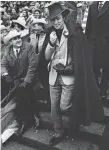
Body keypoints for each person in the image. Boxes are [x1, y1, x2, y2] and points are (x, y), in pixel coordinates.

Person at [44, 2, 104, 146]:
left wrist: (72, 66)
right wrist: (51, 44)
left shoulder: (74, 32)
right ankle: (58, 132)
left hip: (68, 76)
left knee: (64, 106)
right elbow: (46, 57)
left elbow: (80, 54)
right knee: (54, 108)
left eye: (58, 18)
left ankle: (76, 117)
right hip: (53, 76)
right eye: (53, 20)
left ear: (63, 17)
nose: (56, 22)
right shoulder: (50, 33)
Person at [1, 30, 40, 136]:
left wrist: (27, 80)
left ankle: (24, 122)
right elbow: (2, 65)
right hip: (17, 79)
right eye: (14, 39)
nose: (18, 40)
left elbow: (33, 66)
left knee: (22, 93)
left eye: (19, 37)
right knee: (19, 92)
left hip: (31, 78)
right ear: (10, 42)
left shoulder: (28, 47)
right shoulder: (7, 50)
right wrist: (5, 75)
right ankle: (32, 115)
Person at [85, 1, 109, 100]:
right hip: (93, 43)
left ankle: (103, 89)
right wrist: (87, 41)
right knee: (93, 66)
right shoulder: (93, 6)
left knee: (106, 68)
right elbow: (88, 25)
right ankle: (95, 89)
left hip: (106, 43)